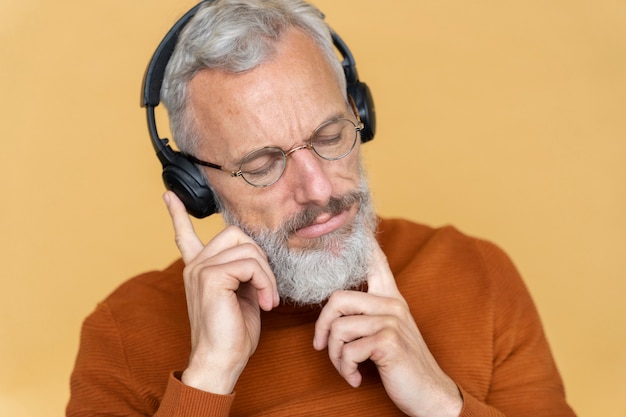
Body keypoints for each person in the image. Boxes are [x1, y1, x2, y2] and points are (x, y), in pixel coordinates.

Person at [67, 1, 577, 416]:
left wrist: (441, 402)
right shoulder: (122, 333)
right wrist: (208, 378)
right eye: (263, 164)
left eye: (330, 136)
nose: (316, 189)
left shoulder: (475, 272)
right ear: (198, 184)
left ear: (361, 116)